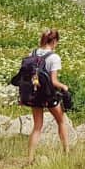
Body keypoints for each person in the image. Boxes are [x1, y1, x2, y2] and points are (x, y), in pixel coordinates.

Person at [20, 28, 70, 161]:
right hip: (48, 95)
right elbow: (54, 82)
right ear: (54, 41)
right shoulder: (54, 57)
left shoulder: (33, 53)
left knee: (37, 127)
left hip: (34, 94)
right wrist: (64, 87)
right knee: (61, 121)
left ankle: (30, 157)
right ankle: (66, 152)